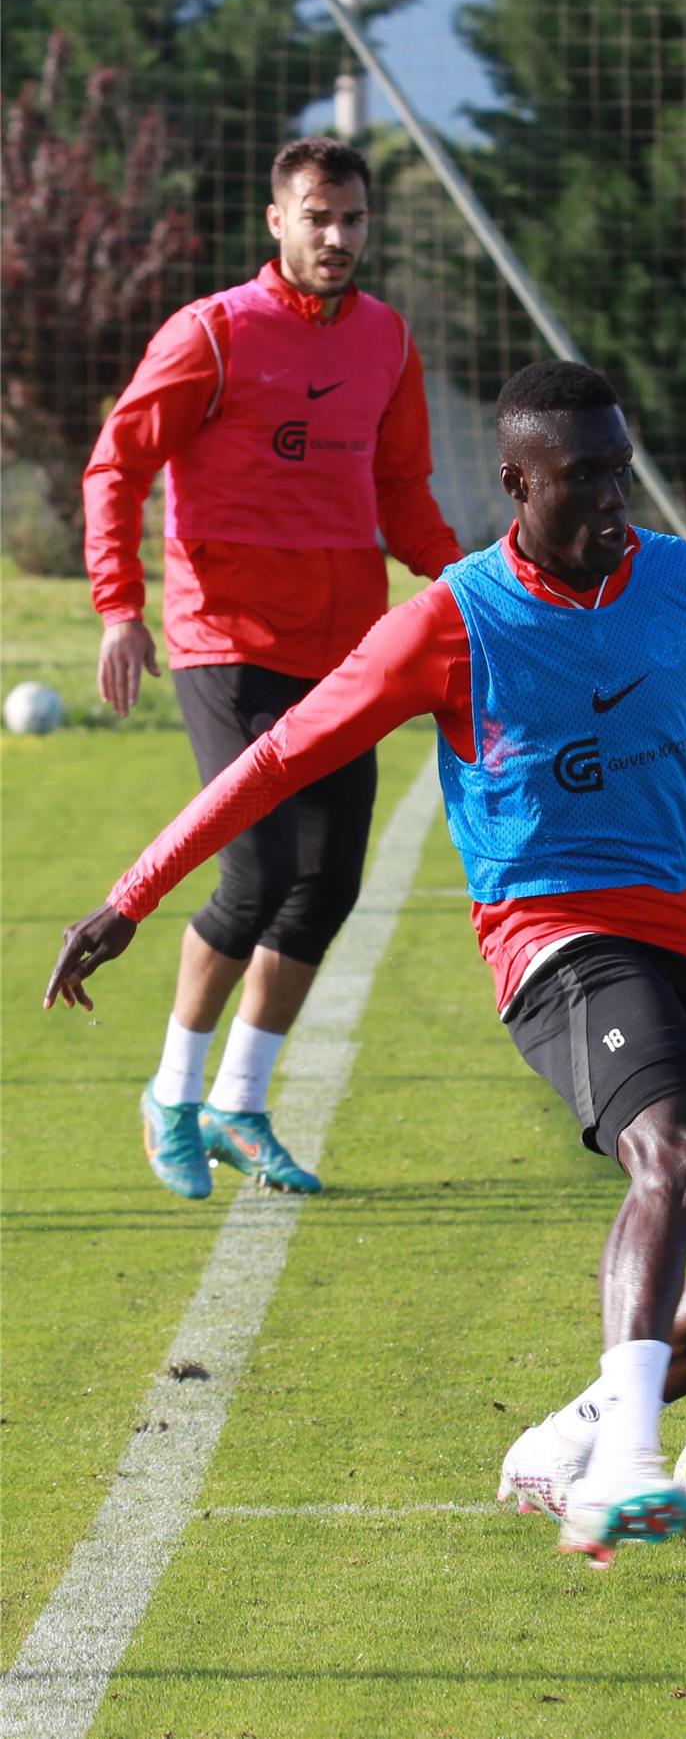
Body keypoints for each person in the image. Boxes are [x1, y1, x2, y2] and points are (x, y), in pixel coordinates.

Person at [47, 361, 686, 1567]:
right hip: (555, 940)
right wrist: (135, 892)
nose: (614, 496)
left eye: (622, 468)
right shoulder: (452, 618)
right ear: (518, 483)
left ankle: (570, 1439)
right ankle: (625, 1468)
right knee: (676, 1149)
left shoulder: (685, 580)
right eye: (584, 475)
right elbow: (280, 757)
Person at [83, 135, 462, 1200]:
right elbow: (117, 465)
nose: (337, 237)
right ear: (277, 221)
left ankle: (238, 1104)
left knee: (328, 880)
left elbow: (401, 493)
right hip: (227, 641)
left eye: (353, 219)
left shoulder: (387, 340)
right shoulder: (211, 332)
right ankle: (171, 1094)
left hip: (344, 651)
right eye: (317, 217)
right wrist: (120, 608)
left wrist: (471, 585)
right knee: (254, 871)